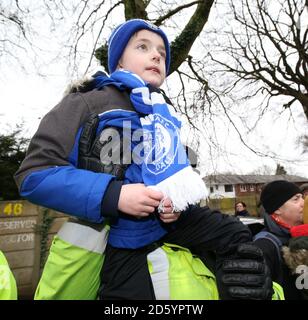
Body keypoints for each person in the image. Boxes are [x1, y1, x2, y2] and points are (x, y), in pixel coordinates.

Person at [15, 19, 273, 300]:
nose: (156, 56)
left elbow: (174, 176)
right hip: (117, 234)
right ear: (119, 63)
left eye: (162, 53)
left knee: (235, 235)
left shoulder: (164, 114)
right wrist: (114, 195)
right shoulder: (87, 102)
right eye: (143, 46)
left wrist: (174, 202)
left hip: (170, 223)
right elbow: (34, 174)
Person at [255, 180, 308, 299]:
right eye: (296, 199)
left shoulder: (302, 236)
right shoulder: (264, 245)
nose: (303, 203)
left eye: (302, 197)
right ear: (277, 209)